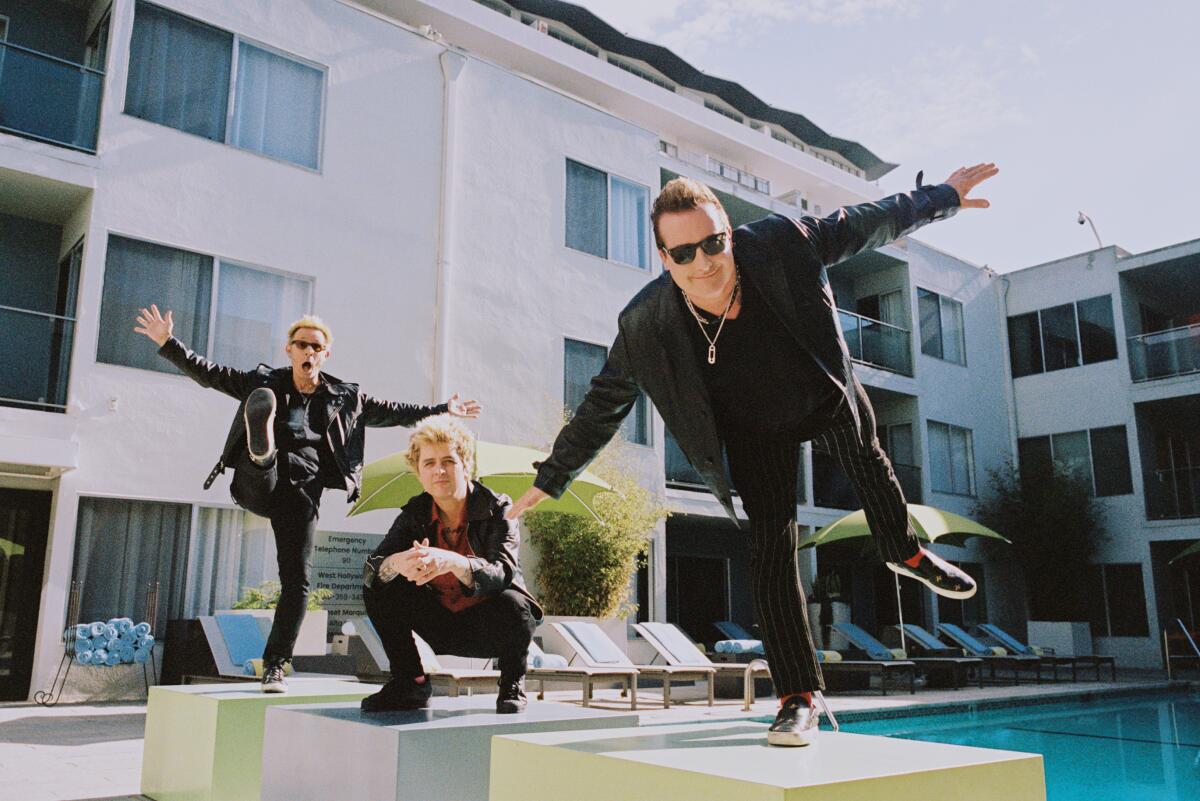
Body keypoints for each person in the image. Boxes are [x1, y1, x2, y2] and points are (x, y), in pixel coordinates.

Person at [507, 165, 999, 746]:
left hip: (822, 392)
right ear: (665, 259)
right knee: (770, 548)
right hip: (753, 430)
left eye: (715, 243)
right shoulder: (647, 322)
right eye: (685, 253)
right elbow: (604, 402)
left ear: (729, 234)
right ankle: (798, 696)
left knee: (866, 453)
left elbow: (873, 222)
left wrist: (942, 198)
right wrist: (555, 474)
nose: (705, 263)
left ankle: (903, 549)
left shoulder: (785, 242)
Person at [134, 306, 480, 692]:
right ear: (289, 350)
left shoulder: (345, 398)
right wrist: (168, 343)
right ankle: (262, 450)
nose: (309, 352)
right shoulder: (263, 381)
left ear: (325, 354)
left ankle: (275, 665)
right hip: (258, 482)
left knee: (297, 581)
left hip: (302, 491)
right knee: (260, 461)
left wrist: (442, 410)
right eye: (302, 345)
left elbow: (393, 412)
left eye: (317, 346)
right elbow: (212, 374)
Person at [360, 415, 541, 714]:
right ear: (418, 472)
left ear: (466, 464)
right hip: (440, 621)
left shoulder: (499, 509)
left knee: (514, 603)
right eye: (429, 463)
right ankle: (410, 683)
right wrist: (398, 563)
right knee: (380, 585)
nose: (439, 471)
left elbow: (502, 573)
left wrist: (455, 563)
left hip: (490, 627)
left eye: (449, 461)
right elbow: (372, 568)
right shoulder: (415, 512)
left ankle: (511, 683)